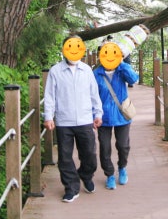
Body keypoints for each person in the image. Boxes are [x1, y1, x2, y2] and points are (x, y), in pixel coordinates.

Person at [43, 35, 103, 203]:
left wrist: (98, 114)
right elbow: (49, 96)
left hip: (85, 120)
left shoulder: (87, 70)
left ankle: (85, 174)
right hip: (64, 122)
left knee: (90, 155)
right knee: (65, 157)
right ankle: (71, 187)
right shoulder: (55, 71)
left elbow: (94, 94)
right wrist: (49, 116)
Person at [93, 40, 140, 189]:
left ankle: (122, 168)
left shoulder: (122, 70)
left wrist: (122, 63)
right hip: (103, 116)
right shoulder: (96, 74)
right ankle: (110, 174)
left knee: (123, 145)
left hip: (122, 115)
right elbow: (90, 95)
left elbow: (134, 79)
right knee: (105, 147)